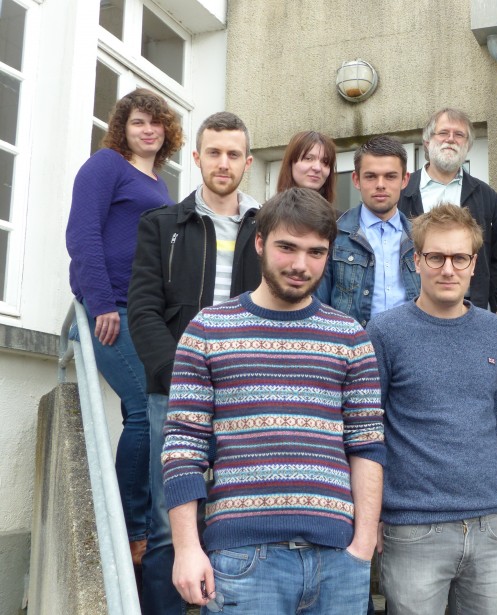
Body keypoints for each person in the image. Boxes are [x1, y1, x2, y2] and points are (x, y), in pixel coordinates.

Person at [162, 187, 385, 614]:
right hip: (244, 558)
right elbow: (182, 448)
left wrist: (364, 543)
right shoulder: (208, 330)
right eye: (287, 247)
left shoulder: (351, 338)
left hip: (338, 558)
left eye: (316, 252)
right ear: (260, 243)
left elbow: (367, 444)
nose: (301, 265)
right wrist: (187, 548)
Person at [128, 111, 259, 615]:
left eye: (233, 154)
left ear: (247, 162)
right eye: (214, 152)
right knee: (168, 522)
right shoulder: (161, 225)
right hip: (174, 393)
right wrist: (176, 377)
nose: (223, 163)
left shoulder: (265, 226)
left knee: (231, 513)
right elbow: (142, 310)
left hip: (242, 392)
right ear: (196, 157)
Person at [367, 204, 497, 615]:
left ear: (473, 264)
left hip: (489, 525)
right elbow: (367, 429)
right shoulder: (385, 332)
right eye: (436, 257)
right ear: (417, 261)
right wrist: (373, 513)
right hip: (413, 528)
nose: (448, 269)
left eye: (459, 258)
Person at [65, 88, 183, 566]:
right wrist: (101, 303)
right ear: (122, 127)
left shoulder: (159, 183)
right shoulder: (105, 166)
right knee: (144, 406)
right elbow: (83, 233)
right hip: (111, 308)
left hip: (144, 309)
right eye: (138, 122)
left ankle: (149, 525)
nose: (148, 130)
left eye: (156, 123)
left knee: (161, 408)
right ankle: (131, 529)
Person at [398, 108, 497, 312]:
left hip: (469, 311)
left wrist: (485, 304)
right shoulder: (401, 192)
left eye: (459, 135)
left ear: (467, 146)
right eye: (443, 133)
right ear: (427, 141)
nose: (450, 139)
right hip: (410, 309)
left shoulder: (487, 198)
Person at [315, 135, 420, 327]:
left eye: (390, 176)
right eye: (371, 176)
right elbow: (319, 305)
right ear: (356, 179)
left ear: (405, 180)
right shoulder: (333, 235)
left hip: (410, 348)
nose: (380, 184)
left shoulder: (421, 238)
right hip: (351, 348)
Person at [277, 130, 337, 205]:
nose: (317, 168)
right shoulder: (266, 214)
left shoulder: (338, 216)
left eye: (325, 161)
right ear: (290, 163)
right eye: (308, 158)